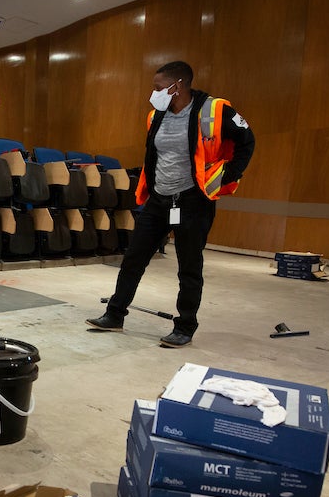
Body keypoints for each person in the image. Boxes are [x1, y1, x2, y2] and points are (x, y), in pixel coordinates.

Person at [87, 61, 255, 348]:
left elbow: (247, 141)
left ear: (177, 86)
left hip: (193, 201)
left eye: (158, 87)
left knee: (189, 266)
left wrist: (229, 174)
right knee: (134, 258)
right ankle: (114, 315)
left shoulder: (214, 110)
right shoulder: (156, 116)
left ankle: (185, 326)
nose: (154, 93)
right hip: (159, 199)